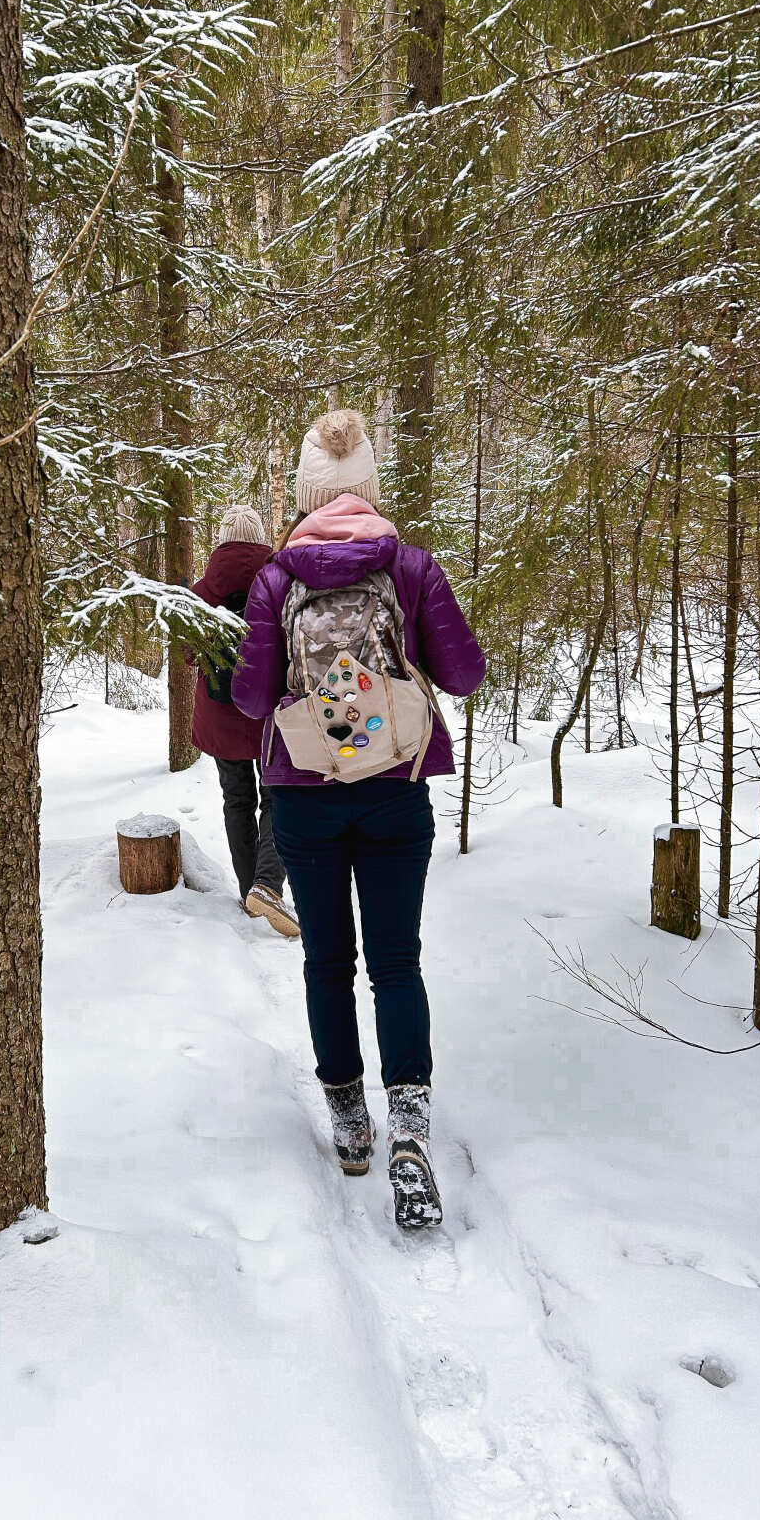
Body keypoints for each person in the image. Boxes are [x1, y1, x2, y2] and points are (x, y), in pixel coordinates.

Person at [232, 410, 485, 1227]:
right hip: (394, 786)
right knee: (395, 963)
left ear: (306, 492)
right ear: (369, 484)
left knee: (326, 964)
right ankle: (408, 1123)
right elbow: (463, 674)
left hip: (304, 791)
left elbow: (250, 699)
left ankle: (349, 1122)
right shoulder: (409, 566)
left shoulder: (276, 579)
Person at [190, 504, 300, 938]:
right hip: (271, 712)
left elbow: (188, 654)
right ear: (259, 537)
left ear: (222, 538)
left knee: (236, 800)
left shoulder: (202, 592)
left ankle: (247, 890)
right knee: (277, 799)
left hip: (222, 716)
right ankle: (267, 886)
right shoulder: (279, 581)